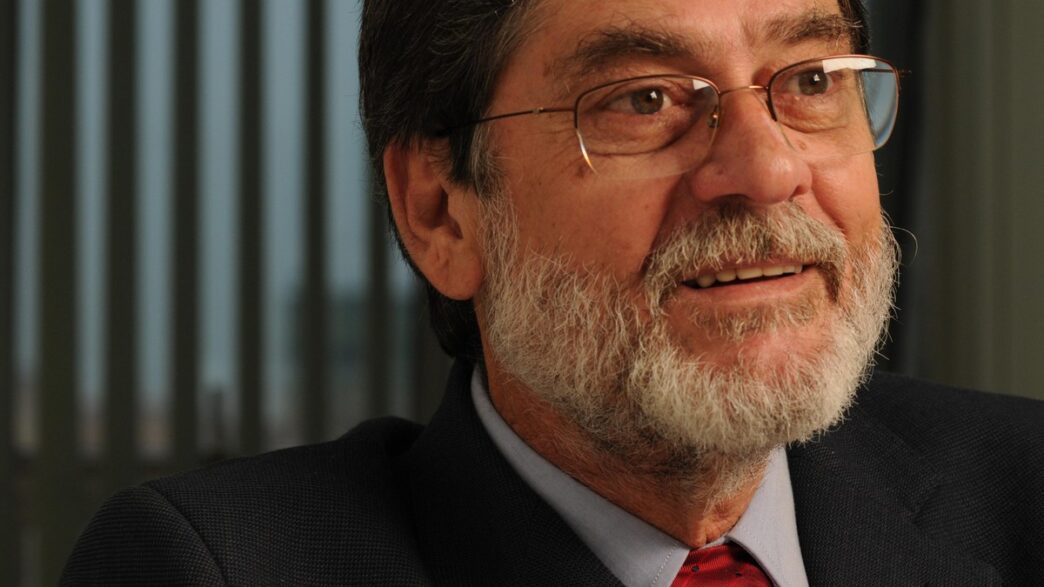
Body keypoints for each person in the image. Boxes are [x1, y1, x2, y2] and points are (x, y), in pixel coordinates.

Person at [62, 0, 1044, 584]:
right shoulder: (215, 568)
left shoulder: (1025, 491)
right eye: (644, 100)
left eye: (813, 80)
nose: (766, 167)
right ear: (442, 212)